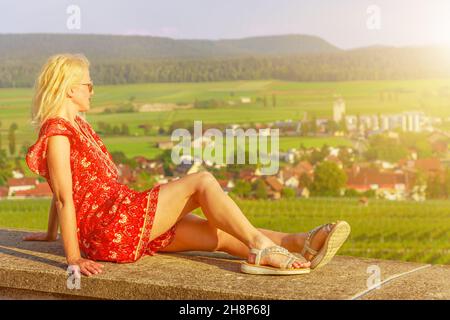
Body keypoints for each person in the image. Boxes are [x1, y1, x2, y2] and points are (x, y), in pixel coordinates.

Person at [23, 53, 351, 277]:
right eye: (88, 85)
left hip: (123, 218)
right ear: (70, 89)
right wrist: (73, 258)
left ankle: (300, 244)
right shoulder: (58, 133)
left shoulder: (78, 125)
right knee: (201, 182)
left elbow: (63, 190)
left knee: (216, 233)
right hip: (113, 228)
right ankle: (260, 247)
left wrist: (50, 233)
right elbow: (65, 197)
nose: (93, 91)